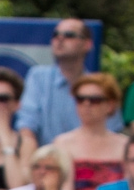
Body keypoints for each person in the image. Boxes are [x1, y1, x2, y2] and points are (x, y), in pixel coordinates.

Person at [19, 19, 113, 147]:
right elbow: (27, 128)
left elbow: (111, 132)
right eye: (55, 35)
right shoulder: (37, 77)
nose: (60, 39)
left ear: (87, 44)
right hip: (45, 162)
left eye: (69, 35)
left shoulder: (100, 86)